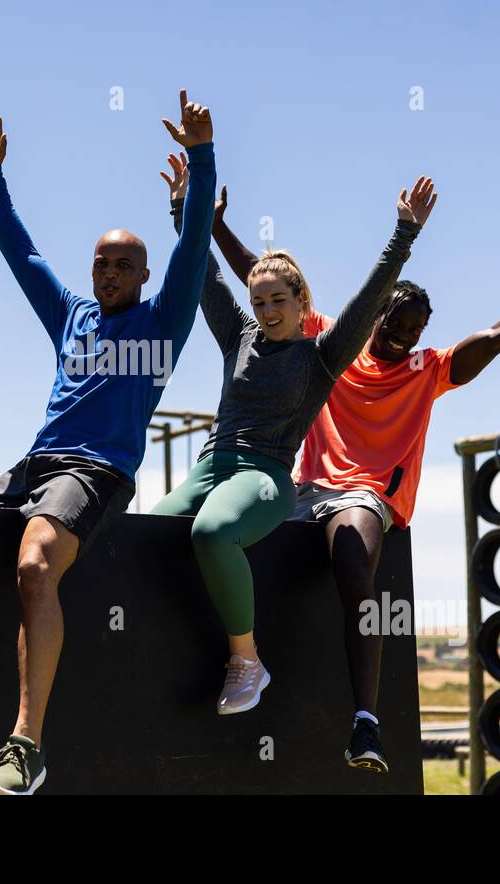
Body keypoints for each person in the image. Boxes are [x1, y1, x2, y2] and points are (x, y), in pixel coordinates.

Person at [205, 181, 500, 774]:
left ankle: (365, 724)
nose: (405, 337)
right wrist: (215, 225)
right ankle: (242, 670)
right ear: (377, 314)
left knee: (351, 562)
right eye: (397, 324)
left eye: (416, 329)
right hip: (302, 490)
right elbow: (264, 280)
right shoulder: (329, 341)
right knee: (229, 542)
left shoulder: (430, 369)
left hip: (365, 495)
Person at [0, 93, 215, 794]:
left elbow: (193, 250)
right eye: (101, 263)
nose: (107, 274)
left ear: (142, 276)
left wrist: (202, 155)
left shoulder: (161, 325)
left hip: (98, 471)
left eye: (122, 265)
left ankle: (26, 747)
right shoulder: (71, 317)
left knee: (38, 564)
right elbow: (21, 252)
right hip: (36, 464)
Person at [158, 155, 435, 728]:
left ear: (300, 302)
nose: (266, 311)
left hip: (264, 476)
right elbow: (201, 273)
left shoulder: (322, 356)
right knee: (147, 532)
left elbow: (368, 301)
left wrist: (404, 234)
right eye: (259, 302)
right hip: (212, 464)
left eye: (277, 301)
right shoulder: (238, 335)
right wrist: (182, 210)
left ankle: (247, 661)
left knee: (212, 532)